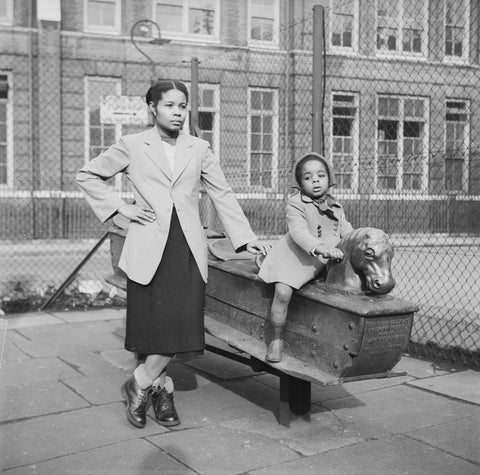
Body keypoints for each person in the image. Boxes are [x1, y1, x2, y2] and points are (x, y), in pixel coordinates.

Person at [76, 80, 268, 429]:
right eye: (170, 106)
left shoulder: (198, 147)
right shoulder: (133, 145)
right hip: (148, 246)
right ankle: (162, 390)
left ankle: (138, 383)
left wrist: (245, 238)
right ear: (153, 108)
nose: (178, 113)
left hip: (187, 249)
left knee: (183, 323)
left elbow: (221, 192)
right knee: (155, 327)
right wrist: (122, 209)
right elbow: (87, 175)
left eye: (183, 106)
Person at [258, 152, 353, 362]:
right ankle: (275, 338)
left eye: (320, 175)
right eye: (308, 178)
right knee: (282, 292)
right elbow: (299, 232)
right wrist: (321, 248)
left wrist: (359, 240)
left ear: (330, 179)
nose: (316, 181)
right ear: (300, 183)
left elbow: (347, 231)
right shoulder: (295, 204)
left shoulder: (336, 207)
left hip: (321, 261)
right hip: (294, 258)